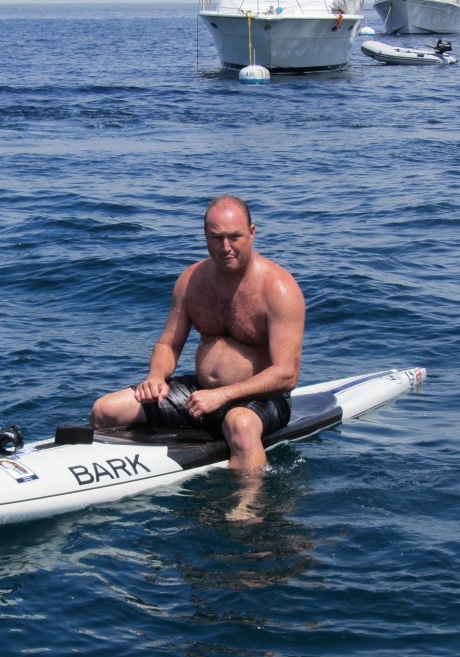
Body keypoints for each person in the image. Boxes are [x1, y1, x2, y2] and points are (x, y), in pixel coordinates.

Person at [91, 195, 305, 471]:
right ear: (205, 236)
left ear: (252, 233)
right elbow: (169, 344)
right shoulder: (191, 281)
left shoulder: (278, 289)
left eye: (235, 237)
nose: (226, 247)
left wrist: (224, 395)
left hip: (260, 399)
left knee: (240, 426)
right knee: (105, 410)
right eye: (216, 238)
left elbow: (287, 374)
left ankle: (249, 498)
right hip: (201, 396)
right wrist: (156, 376)